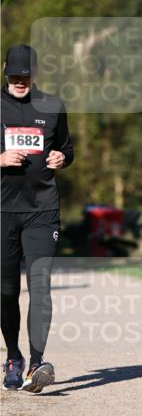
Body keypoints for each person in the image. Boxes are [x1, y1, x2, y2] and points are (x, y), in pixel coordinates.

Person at [1, 44, 74, 392]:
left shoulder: (53, 106)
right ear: (4, 72)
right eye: (13, 76)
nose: (19, 81)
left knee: (40, 286)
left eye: (24, 75)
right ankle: (13, 356)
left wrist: (62, 157)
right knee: (6, 292)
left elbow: (67, 148)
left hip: (43, 210)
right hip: (3, 212)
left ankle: (36, 363)